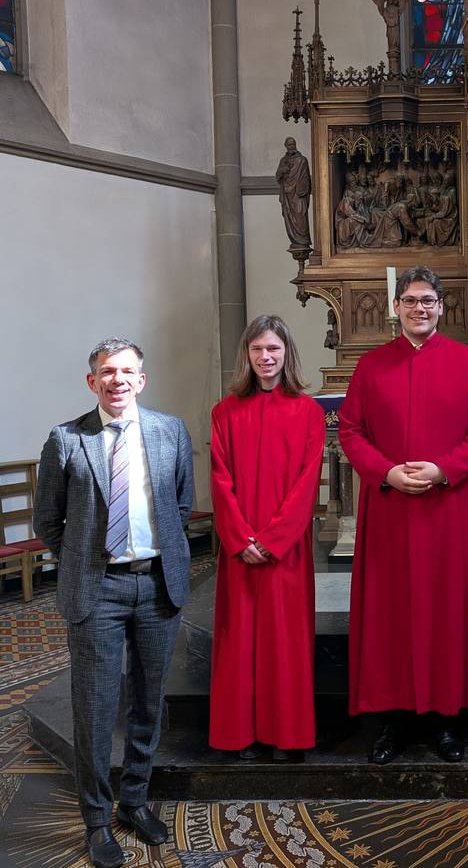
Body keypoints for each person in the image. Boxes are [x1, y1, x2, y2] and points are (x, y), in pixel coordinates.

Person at [33, 339, 194, 868]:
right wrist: (81, 561)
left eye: (127, 371)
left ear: (141, 380)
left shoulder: (169, 431)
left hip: (157, 588)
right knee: (97, 710)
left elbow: (182, 503)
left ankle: (134, 802)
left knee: (149, 704)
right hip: (97, 591)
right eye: (107, 372)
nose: (117, 379)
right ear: (92, 382)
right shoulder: (66, 439)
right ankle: (97, 819)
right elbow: (47, 520)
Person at [338, 265, 468, 764]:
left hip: (446, 510)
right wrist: (386, 473)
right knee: (391, 614)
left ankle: (449, 719)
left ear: (442, 307)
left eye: (428, 300)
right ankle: (393, 720)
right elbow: (350, 432)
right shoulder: (370, 366)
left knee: (447, 612)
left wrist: (443, 469)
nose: (419, 308)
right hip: (390, 512)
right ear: (395, 307)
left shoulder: (467, 363)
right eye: (410, 300)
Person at [209, 315, 325, 761]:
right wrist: (240, 538)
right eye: (257, 349)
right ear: (247, 355)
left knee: (284, 642)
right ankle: (241, 733)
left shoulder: (308, 412)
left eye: (273, 349)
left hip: (285, 552)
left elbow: (305, 484)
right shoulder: (225, 412)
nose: (265, 357)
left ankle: (286, 734)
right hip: (241, 551)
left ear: (287, 354)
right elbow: (220, 480)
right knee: (239, 639)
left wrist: (273, 540)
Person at [275, 137, 312, 252]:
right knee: (289, 217)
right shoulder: (283, 160)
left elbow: (306, 178)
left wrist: (303, 189)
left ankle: (303, 240)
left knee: (300, 216)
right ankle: (295, 240)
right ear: (286, 146)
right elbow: (277, 176)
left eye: (293, 144)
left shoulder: (302, 160)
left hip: (298, 194)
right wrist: (282, 171)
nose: (292, 146)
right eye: (289, 145)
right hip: (287, 195)